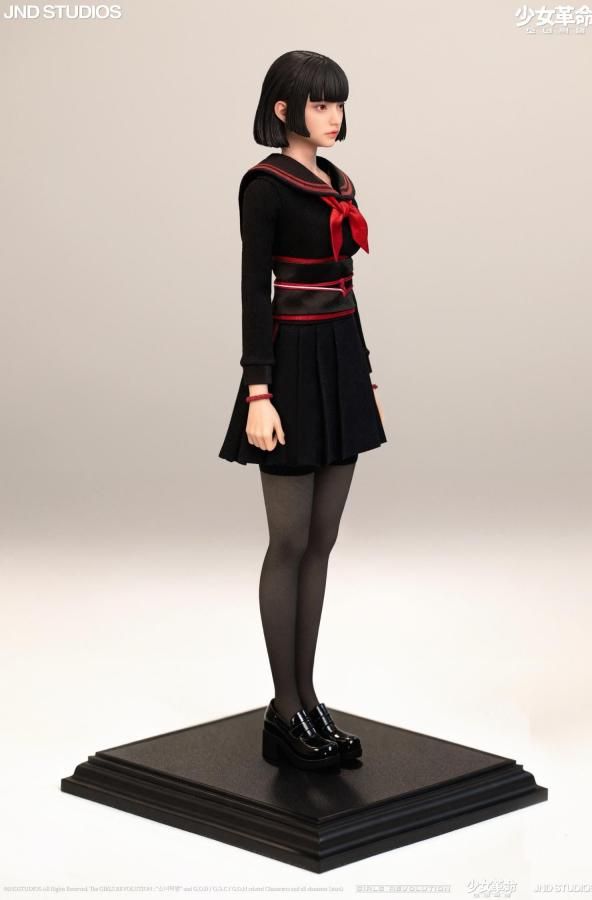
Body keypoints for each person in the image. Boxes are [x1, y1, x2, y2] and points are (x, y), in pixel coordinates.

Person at [218, 50, 387, 770]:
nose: (334, 117)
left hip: (339, 360)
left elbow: (345, 286)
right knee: (287, 541)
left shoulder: (338, 181)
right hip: (288, 365)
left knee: (322, 540)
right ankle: (283, 710)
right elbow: (253, 290)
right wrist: (257, 391)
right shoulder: (265, 186)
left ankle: (308, 700)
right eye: (320, 104)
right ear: (283, 110)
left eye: (338, 104)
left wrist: (364, 373)